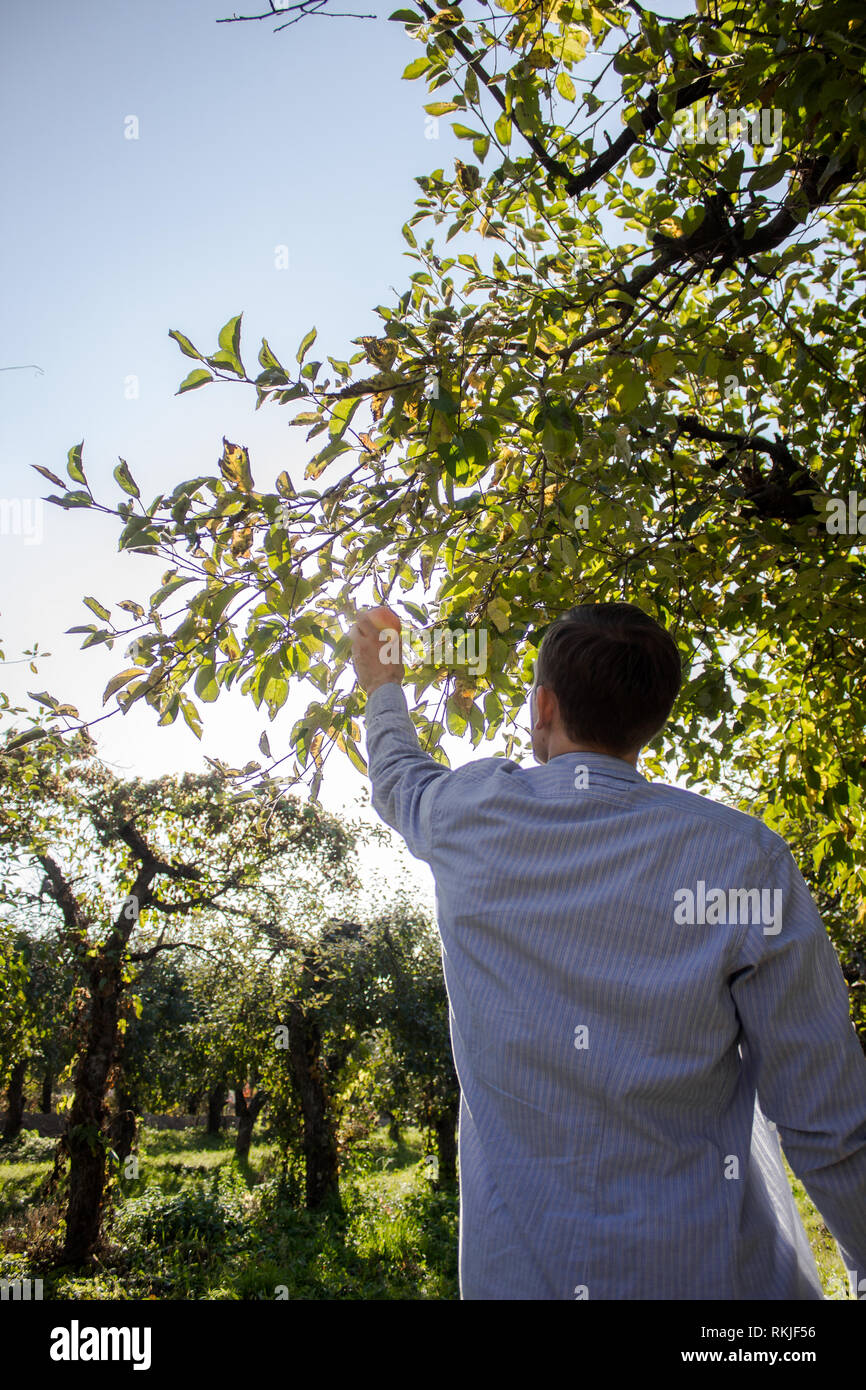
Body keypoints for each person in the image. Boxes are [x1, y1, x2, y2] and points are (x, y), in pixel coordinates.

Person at [350, 600, 866, 1300]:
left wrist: (383, 681)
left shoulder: (468, 818)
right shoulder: (744, 860)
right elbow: (828, 1119)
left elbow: (396, 774)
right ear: (652, 719)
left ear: (543, 707)